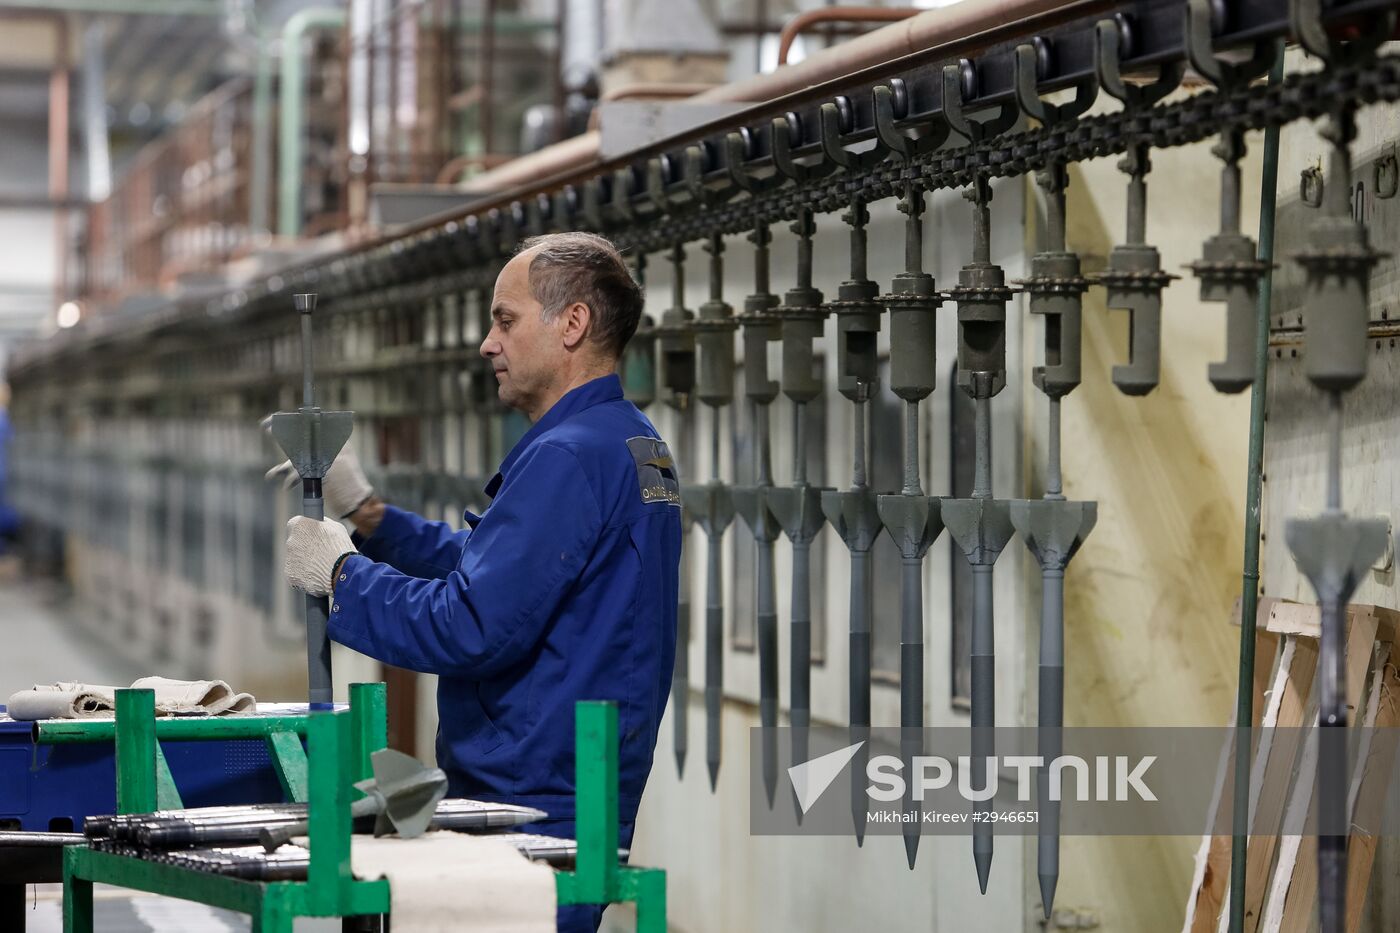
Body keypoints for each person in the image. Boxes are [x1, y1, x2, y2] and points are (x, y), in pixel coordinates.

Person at [278, 232, 681, 932]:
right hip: (568, 793)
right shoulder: (625, 439)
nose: (487, 344)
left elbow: (470, 622)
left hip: (531, 805)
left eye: (506, 319)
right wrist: (371, 518)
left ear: (573, 324)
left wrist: (341, 577)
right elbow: (499, 567)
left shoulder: (569, 456)